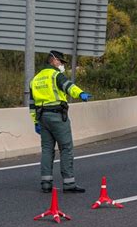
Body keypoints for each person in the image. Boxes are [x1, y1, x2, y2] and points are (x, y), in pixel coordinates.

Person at [29, 50, 92, 193]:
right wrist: (81, 94)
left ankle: (46, 183)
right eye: (61, 62)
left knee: (46, 150)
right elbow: (68, 86)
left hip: (42, 118)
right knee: (66, 148)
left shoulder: (35, 79)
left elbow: (32, 103)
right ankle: (69, 184)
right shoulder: (55, 75)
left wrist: (35, 122)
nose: (61, 65)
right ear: (54, 60)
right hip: (57, 116)